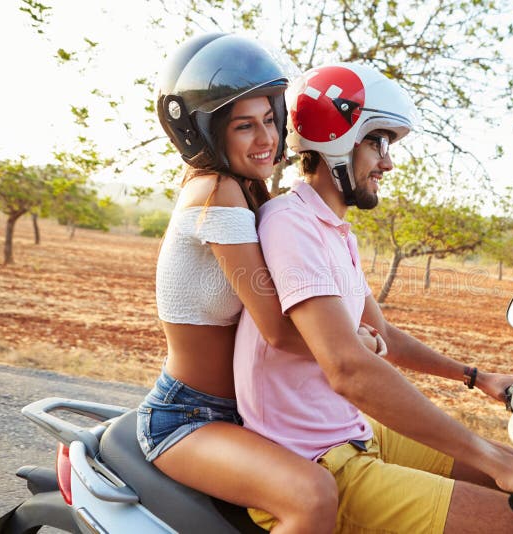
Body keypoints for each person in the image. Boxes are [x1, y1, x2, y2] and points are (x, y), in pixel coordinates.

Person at [233, 63, 513, 533]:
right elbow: (348, 368)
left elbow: (381, 336)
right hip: (316, 460)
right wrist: (494, 461)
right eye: (377, 142)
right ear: (338, 137)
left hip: (354, 433)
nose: (388, 162)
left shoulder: (334, 231)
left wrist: (478, 377)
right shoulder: (289, 224)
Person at [137, 34, 379, 533]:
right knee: (312, 497)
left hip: (244, 416)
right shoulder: (216, 192)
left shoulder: (251, 192)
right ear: (205, 134)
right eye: (244, 126)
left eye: (270, 118)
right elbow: (278, 329)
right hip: (189, 418)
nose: (266, 137)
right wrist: (352, 341)